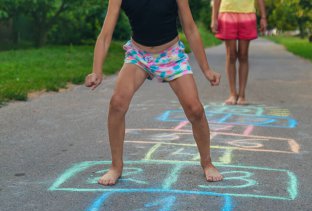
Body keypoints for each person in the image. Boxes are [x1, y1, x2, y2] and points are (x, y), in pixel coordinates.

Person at [85, 0, 223, 185]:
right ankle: (116, 166)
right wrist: (97, 70)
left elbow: (190, 28)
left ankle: (207, 163)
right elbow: (105, 35)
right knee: (117, 103)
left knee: (195, 109)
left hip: (171, 54)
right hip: (139, 55)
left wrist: (206, 69)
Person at [211, 0, 267, 105]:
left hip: (247, 13)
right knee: (231, 55)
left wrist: (263, 17)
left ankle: (242, 95)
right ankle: (232, 94)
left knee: (243, 55)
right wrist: (214, 18)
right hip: (227, 12)